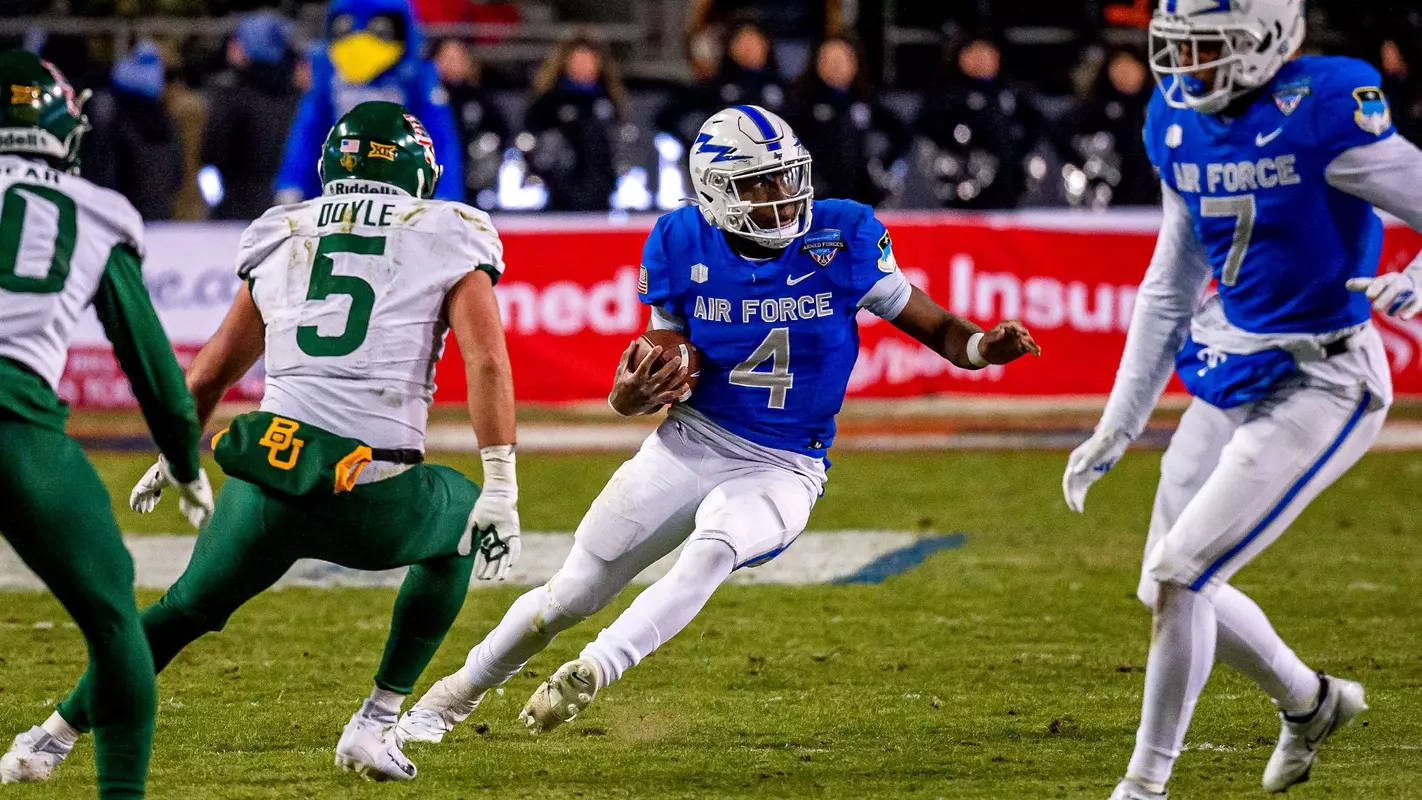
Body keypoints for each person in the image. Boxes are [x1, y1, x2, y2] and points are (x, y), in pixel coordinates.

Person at [395, 105, 1040, 744]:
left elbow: (939, 330)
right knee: (571, 592)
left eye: (787, 177)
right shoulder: (680, 240)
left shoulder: (841, 234)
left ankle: (595, 668)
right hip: (691, 440)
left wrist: (984, 348)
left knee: (716, 545)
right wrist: (628, 396)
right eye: (760, 183)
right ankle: (448, 699)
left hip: (785, 464)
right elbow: (658, 359)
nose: (783, 197)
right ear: (715, 192)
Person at [1, 101, 522, 784]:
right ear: (417, 169)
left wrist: (174, 454)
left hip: (264, 480)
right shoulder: (452, 231)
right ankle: (376, 719)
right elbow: (485, 359)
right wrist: (503, 483)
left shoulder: (285, 229)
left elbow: (213, 368)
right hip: (370, 491)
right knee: (463, 515)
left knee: (181, 610)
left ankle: (46, 738)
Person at [1061, 1, 1422, 797]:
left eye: (1207, 47)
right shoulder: (1179, 120)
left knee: (1186, 574)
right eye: (1177, 48)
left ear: (1267, 39)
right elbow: (1169, 287)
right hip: (1233, 370)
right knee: (1164, 585)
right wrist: (1118, 423)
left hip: (1324, 379)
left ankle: (1143, 786)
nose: (1186, 68)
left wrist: (1417, 278)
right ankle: (1312, 702)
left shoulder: (1325, 107)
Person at [0, 50, 212, 798]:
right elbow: (153, 368)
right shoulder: (91, 208)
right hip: (15, 423)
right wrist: (185, 461)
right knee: (116, 620)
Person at [273, 0, 463, 203]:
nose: (360, 40)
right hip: (337, 189)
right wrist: (291, 183)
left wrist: (445, 192)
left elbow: (439, 137)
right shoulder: (328, 73)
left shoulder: (416, 75)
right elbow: (307, 132)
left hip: (400, 191)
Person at [917, 33, 1042, 210]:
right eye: (974, 53)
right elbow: (928, 124)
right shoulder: (947, 92)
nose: (982, 60)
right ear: (961, 57)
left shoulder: (1009, 92)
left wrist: (1018, 152)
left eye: (988, 53)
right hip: (963, 189)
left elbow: (1037, 123)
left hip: (1006, 189)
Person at [789, 35, 912, 207]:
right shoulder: (802, 101)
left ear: (855, 63)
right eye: (829, 59)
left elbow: (901, 133)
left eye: (843, 59)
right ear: (816, 63)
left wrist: (881, 166)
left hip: (860, 197)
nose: (836, 66)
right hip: (817, 199)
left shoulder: (864, 99)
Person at [202, 12, 300, 220]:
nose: (231, 46)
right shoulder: (299, 98)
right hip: (289, 213)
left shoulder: (233, 97)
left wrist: (214, 199)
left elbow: (212, 156)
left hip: (235, 215)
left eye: (237, 40)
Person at [523, 34, 628, 211]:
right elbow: (535, 144)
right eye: (577, 60)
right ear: (565, 63)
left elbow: (619, 143)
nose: (583, 66)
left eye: (588, 60)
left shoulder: (608, 100)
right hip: (560, 195)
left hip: (603, 193)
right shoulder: (549, 102)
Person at [83, 41, 182, 221]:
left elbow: (100, 174)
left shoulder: (113, 122)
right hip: (161, 219)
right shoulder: (168, 124)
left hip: (120, 219)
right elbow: (176, 177)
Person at [656, 22, 788, 148]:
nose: (748, 48)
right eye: (741, 41)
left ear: (766, 45)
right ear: (730, 47)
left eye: (754, 41)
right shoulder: (716, 85)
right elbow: (667, 117)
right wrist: (693, 146)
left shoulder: (782, 86)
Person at [1070, 45, 1159, 207]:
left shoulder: (1159, 104)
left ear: (1142, 68)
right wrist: (1089, 167)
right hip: (1113, 196)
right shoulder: (1101, 106)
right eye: (1117, 68)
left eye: (1129, 67)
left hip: (1157, 195)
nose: (1124, 74)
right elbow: (1063, 130)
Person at [432, 37, 509, 206]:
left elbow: (502, 132)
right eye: (447, 57)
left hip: (473, 181)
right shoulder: (424, 97)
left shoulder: (479, 97)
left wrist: (485, 147)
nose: (452, 63)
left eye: (458, 58)